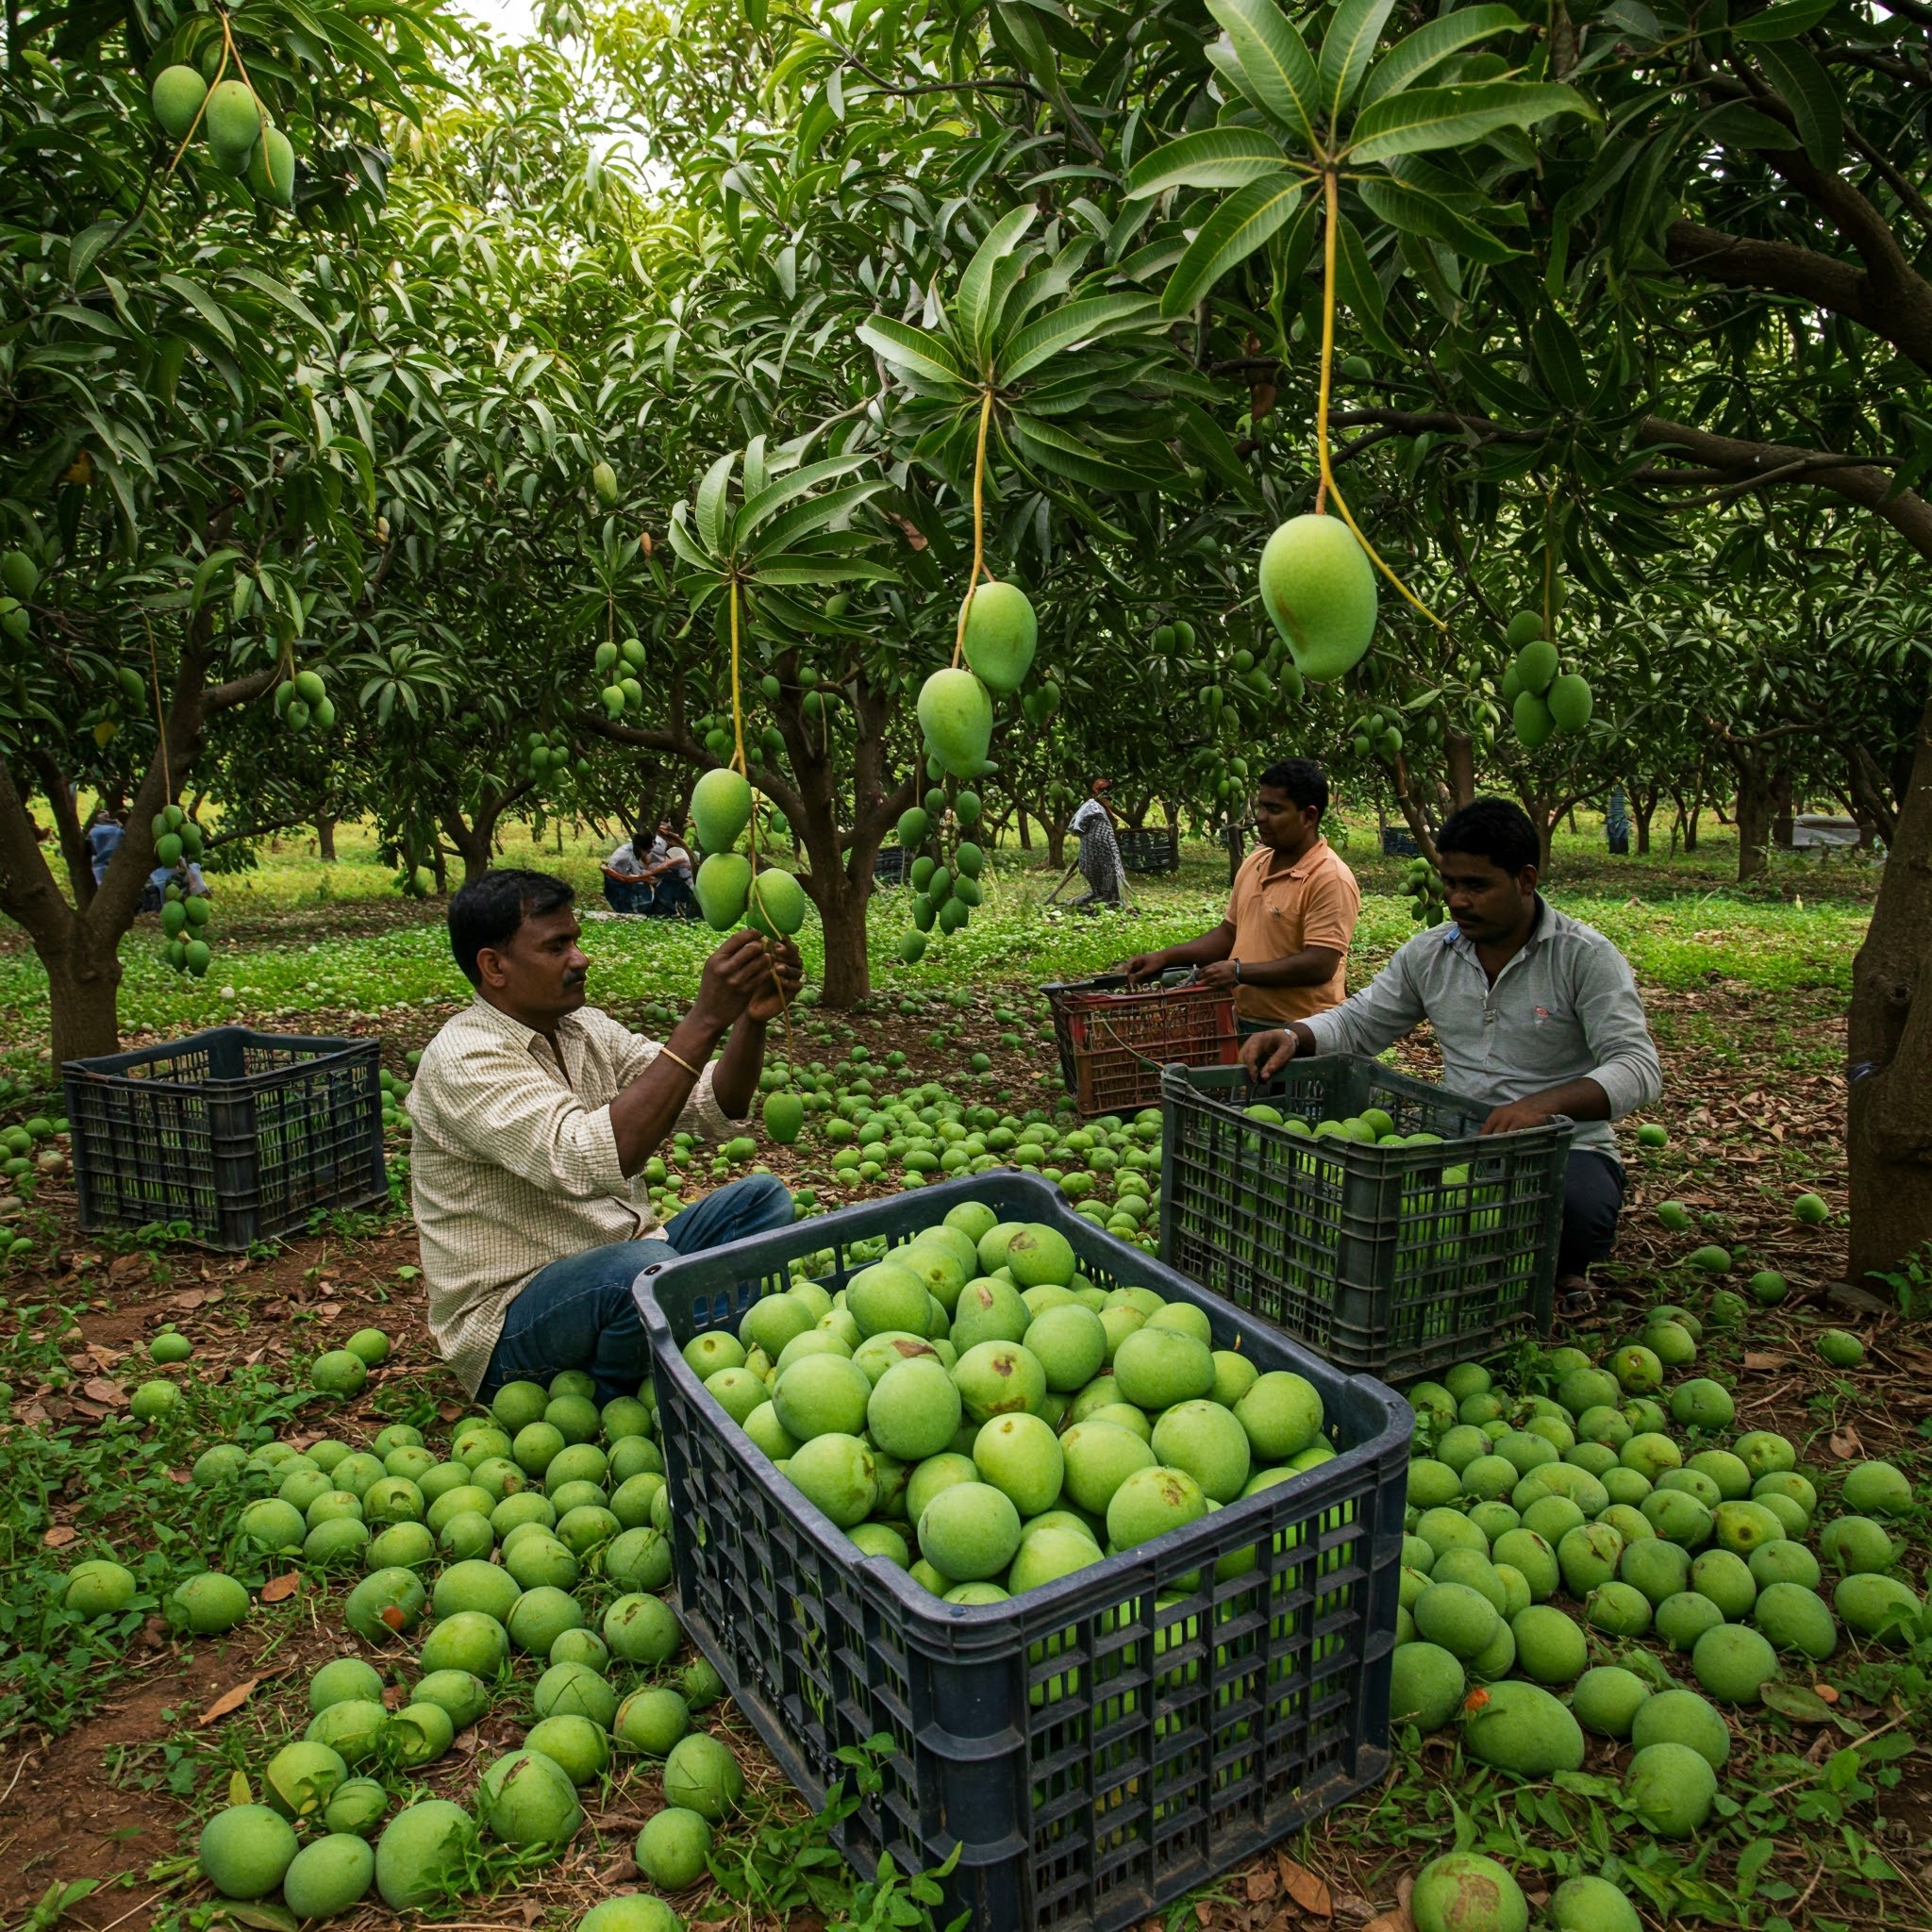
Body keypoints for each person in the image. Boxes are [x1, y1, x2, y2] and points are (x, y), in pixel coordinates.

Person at [1238, 799, 1663, 1306]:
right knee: (1383, 1217)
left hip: (1564, 1146)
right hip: (1458, 1140)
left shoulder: (1584, 957)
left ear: (1526, 880)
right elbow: (1361, 1019)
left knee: (1575, 1215)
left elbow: (1638, 1066)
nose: (1457, 900)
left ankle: (1564, 1271)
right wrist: (1294, 1035)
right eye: (1450, 883)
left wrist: (1542, 1107)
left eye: (1476, 886)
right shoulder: (1431, 954)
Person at [409, 869, 804, 1405]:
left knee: (761, 1201)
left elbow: (712, 1104)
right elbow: (583, 1159)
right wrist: (706, 1017)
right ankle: (612, 1393)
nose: (580, 958)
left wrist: (749, 1021)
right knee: (638, 1275)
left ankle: (687, 1342)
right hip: (513, 1318)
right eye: (557, 947)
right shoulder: (463, 1057)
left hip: (622, 1263)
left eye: (575, 941)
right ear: (493, 966)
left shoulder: (585, 1029)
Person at [1121, 758, 1359, 1033]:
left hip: (1302, 1032)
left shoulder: (1329, 877)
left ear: (1309, 816)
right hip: (1246, 1021)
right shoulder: (1256, 862)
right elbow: (1229, 933)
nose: (1260, 817)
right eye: (1260, 806)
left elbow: (1320, 963)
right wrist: (1165, 956)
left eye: (1274, 809)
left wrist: (1238, 972)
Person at [1067, 779, 1124, 909]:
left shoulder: (1103, 807)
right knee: (1096, 870)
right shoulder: (1092, 805)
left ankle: (1110, 898)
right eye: (1104, 791)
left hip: (1105, 844)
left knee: (1110, 871)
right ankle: (1101, 897)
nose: (1107, 795)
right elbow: (1076, 825)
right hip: (1095, 845)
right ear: (1096, 791)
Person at [639, 822, 696, 919]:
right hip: (676, 881)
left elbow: (675, 862)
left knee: (665, 884)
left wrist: (651, 872)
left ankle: (668, 912)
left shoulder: (675, 847)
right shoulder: (659, 849)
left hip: (687, 884)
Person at [601, 831, 656, 915]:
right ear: (642, 848)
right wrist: (644, 879)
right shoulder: (626, 855)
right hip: (616, 883)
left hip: (625, 877)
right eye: (648, 851)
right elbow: (623, 879)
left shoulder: (634, 848)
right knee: (627, 910)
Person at [88, 810, 124, 886]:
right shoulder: (98, 830)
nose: (107, 816)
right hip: (102, 863)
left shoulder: (96, 830)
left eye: (108, 816)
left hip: (103, 863)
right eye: (105, 815)